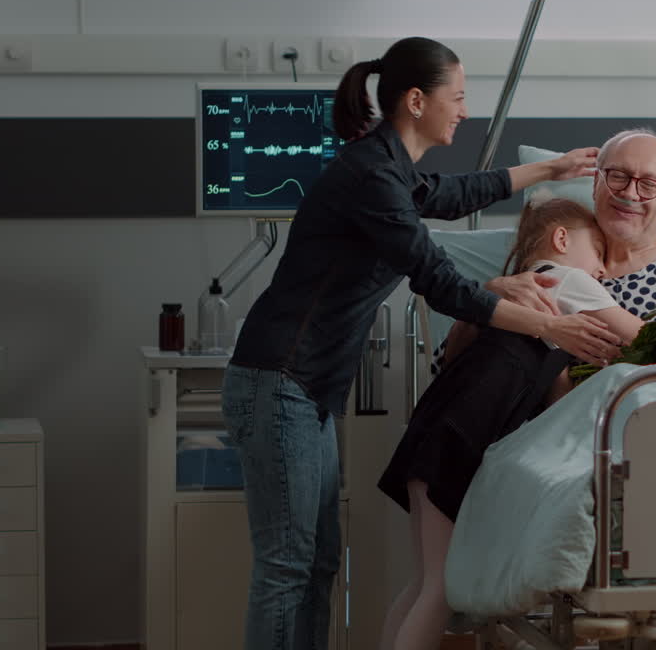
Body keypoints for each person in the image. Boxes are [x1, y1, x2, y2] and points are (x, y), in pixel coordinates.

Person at [220, 36, 621, 650]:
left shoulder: (390, 170)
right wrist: (550, 326)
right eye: (456, 97)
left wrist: (550, 169)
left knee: (319, 563)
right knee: (287, 566)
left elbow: (451, 195)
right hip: (280, 379)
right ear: (416, 101)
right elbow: (436, 281)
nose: (463, 110)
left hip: (308, 389)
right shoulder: (370, 176)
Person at [376, 197, 643, 650]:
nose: (603, 271)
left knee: (424, 583)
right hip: (458, 438)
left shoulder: (532, 309)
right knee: (441, 589)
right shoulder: (561, 279)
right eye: (598, 252)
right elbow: (638, 335)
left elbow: (557, 395)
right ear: (561, 240)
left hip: (434, 433)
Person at [434, 127, 656, 373]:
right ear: (596, 183)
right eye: (618, 176)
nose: (630, 193)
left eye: (648, 184)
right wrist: (489, 297)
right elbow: (447, 365)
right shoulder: (554, 262)